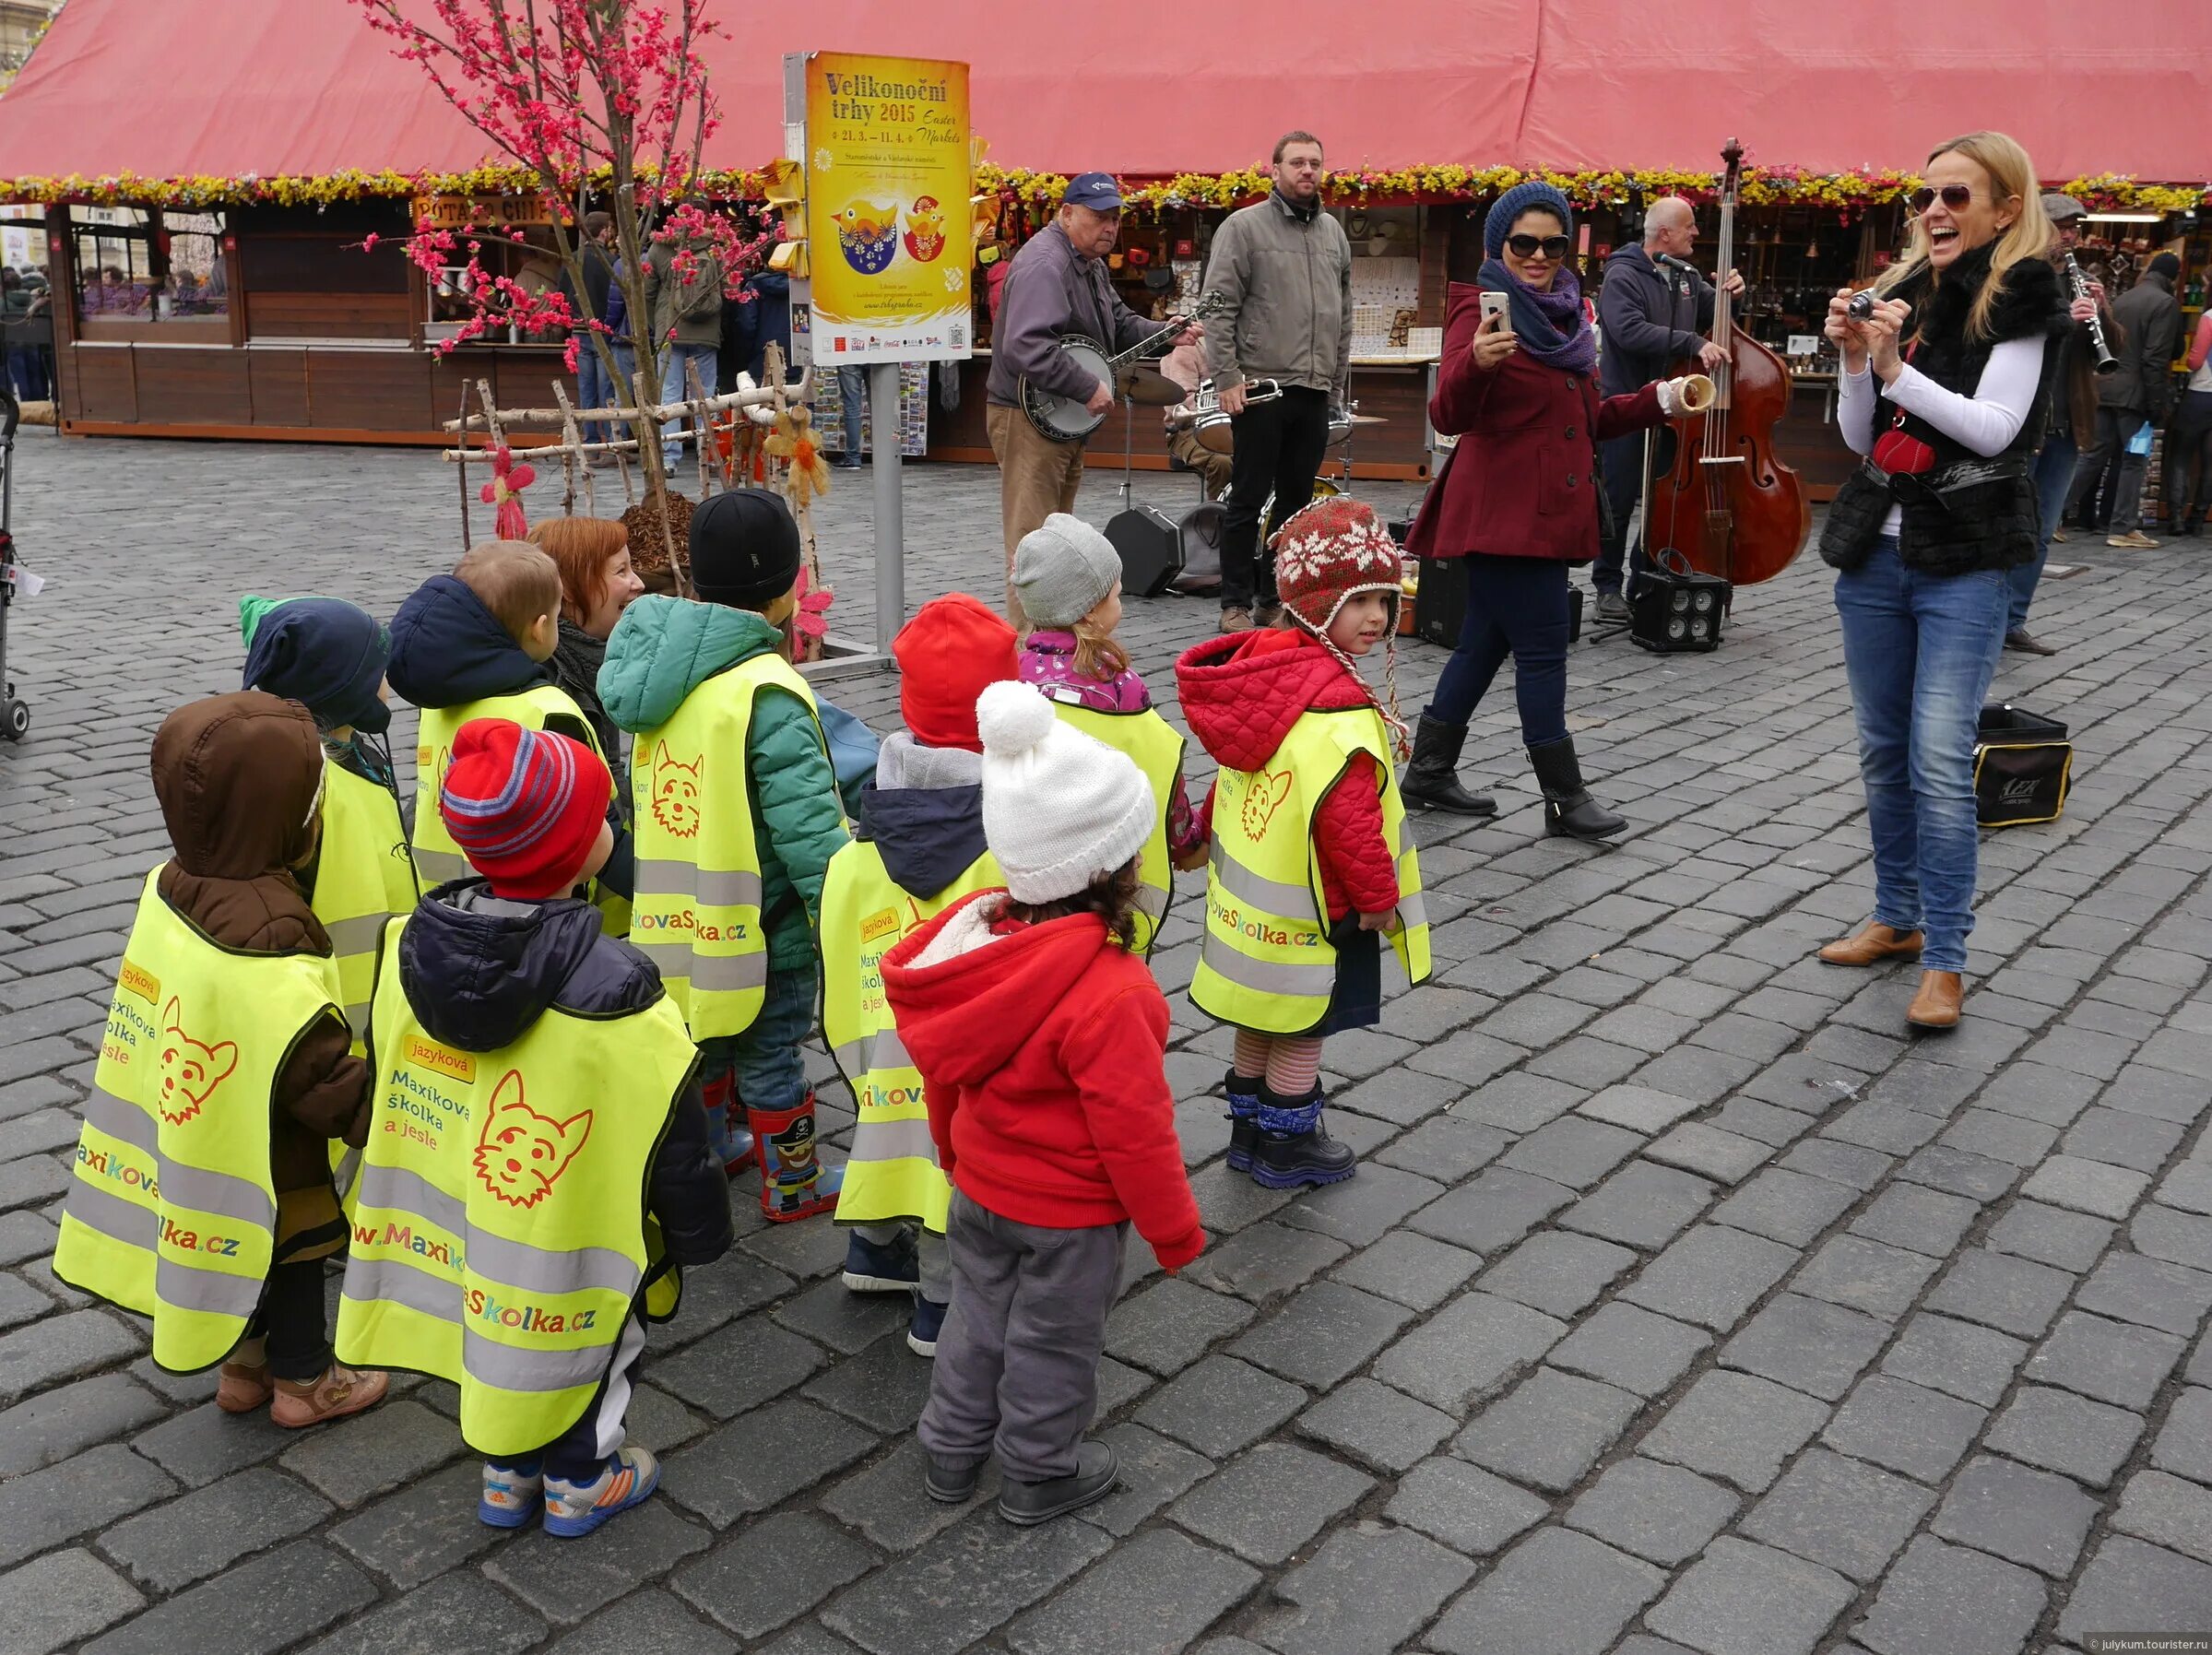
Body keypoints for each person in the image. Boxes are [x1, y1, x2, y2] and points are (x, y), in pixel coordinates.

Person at [337, 719, 731, 1538]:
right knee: (590, 1341)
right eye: (602, 816)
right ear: (578, 850)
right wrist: (698, 1230)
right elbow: (672, 1125)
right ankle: (580, 1480)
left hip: (473, 1218)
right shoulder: (620, 984)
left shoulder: (409, 946)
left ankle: (507, 1472)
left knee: (495, 1331)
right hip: (578, 1227)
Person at [883, 680, 1203, 1526]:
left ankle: (950, 1449)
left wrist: (954, 1153)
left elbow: (946, 1071)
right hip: (1070, 1215)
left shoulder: (977, 952)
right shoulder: (1114, 990)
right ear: (1113, 871)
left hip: (981, 1189)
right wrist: (1173, 1229)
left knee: (976, 1317)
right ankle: (1037, 1469)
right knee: (1052, 1342)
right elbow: (1136, 1131)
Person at [53, 692, 389, 1427]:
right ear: (285, 819)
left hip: (203, 1126)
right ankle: (306, 1380)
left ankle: (244, 1364)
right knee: (293, 1247)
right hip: (271, 1144)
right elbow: (312, 1068)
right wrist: (379, 1108)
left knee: (237, 1245)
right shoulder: (272, 926)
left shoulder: (168, 882)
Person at [1816, 131, 2064, 1034]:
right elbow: (1860, 437)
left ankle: (1946, 959)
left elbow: (1994, 428)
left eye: (1955, 196)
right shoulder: (1904, 288)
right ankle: (1897, 917)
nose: (1933, 211)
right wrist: (1856, 362)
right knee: (1883, 750)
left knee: (1935, 756)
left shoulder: (2022, 292)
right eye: (1924, 196)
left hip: (1965, 555)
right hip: (1874, 554)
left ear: (2005, 207)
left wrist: (1893, 368)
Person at [1401, 181, 1697, 833]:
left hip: (1549, 513)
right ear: (1497, 246)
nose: (1538, 256)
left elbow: (1585, 420)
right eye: (1523, 244)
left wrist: (1659, 399)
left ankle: (1428, 771)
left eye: (1552, 244)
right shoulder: (1477, 308)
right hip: (1504, 514)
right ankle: (1564, 797)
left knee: (1483, 643)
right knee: (1541, 650)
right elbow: (1447, 413)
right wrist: (1476, 363)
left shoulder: (1568, 317)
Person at [599, 490, 851, 1213]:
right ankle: (792, 1181)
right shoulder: (767, 688)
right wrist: (837, 912)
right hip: (765, 923)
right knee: (771, 1051)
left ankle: (711, 1154)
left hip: (678, 915)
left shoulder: (660, 673)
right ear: (786, 589)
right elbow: (807, 827)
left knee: (702, 1039)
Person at [1175, 497, 1430, 1188]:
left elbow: (1238, 765)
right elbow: (1350, 824)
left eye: (1384, 599)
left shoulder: (1261, 674)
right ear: (1315, 605)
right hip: (1322, 909)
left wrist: (1198, 833)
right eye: (1358, 601)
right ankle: (1287, 1144)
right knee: (1304, 1025)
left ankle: (1247, 1130)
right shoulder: (1334, 707)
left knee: (1260, 1013)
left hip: (1250, 918)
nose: (1376, 616)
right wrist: (1376, 901)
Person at [823, 595, 1019, 1358]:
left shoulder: (857, 853)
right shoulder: (1008, 849)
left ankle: (873, 1247)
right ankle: (942, 1303)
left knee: (890, 1131)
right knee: (952, 1159)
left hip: (880, 1041)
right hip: (965, 1052)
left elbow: (838, 960)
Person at [386, 542, 632, 938]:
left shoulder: (438, 701)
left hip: (451, 910)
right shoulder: (548, 710)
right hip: (548, 920)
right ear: (540, 628)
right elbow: (598, 826)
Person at [985, 172, 1198, 629]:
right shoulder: (1046, 264)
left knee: (1055, 541)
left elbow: (1117, 322)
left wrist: (1165, 333)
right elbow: (1026, 346)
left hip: (1056, 417)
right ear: (1066, 214)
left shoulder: (1088, 262)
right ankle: (1028, 651)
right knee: (1032, 545)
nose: (1110, 227)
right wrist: (1084, 386)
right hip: (1028, 417)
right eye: (1099, 217)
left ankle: (1053, 644)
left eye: (1115, 218)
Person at [1011, 513, 1208, 952]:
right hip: (1107, 872)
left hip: (1033, 868)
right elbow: (1155, 765)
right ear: (1089, 610)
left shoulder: (1012, 675)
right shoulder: (1119, 686)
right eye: (1116, 595)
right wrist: (1186, 840)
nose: (1122, 603)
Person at [239, 596, 417, 1047]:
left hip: (384, 1001)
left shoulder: (357, 754)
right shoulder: (305, 788)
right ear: (346, 688)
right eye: (377, 673)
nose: (387, 683)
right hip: (333, 1023)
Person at [1201, 132, 1354, 632]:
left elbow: (1343, 316)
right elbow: (1218, 307)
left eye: (1315, 162)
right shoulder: (1243, 227)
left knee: (1296, 505)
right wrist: (1227, 376)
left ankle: (1275, 599)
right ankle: (1234, 603)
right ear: (1275, 169)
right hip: (1262, 388)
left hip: (1313, 390)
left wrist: (1334, 385)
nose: (1307, 170)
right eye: (1297, 162)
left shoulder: (1333, 234)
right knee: (1246, 498)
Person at [1593, 197, 1744, 621]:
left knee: (1663, 502)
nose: (1696, 232)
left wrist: (1734, 294)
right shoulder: (1622, 274)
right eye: (1689, 226)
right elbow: (1629, 331)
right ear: (1665, 234)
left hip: (1673, 408)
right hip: (1626, 406)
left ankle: (1643, 580)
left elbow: (1718, 314)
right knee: (1618, 500)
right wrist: (1692, 342)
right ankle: (1606, 587)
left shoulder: (1687, 276)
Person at [2010, 195, 2119, 654]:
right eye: (2062, 226)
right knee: (2008, 524)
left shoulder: (2079, 282)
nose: (2070, 235)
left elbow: (2112, 351)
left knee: (2041, 529)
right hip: (2022, 422)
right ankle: (1985, 616)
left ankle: (2013, 621)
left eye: (2075, 227)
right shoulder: (2016, 276)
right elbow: (2003, 335)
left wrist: (2102, 310)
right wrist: (2061, 319)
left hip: (2066, 424)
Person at [2067, 250, 2181, 549]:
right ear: (2173, 277)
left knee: (2092, 457)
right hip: (2135, 395)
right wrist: (2156, 404)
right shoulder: (2165, 303)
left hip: (2107, 387)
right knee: (2134, 460)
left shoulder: (2125, 298)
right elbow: (2155, 358)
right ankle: (2122, 527)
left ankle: (2050, 514)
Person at [526, 516, 646, 769]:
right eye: (621, 571)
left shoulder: (590, 660)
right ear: (567, 588)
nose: (639, 583)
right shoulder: (543, 686)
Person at [643, 200, 724, 476]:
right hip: (706, 330)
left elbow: (647, 293)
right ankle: (708, 453)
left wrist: (657, 325)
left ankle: (670, 457)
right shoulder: (716, 248)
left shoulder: (659, 248)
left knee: (670, 394)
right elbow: (729, 288)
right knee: (706, 394)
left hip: (670, 329)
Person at [2160, 299, 2212, 538]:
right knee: (2210, 463)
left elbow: (2195, 360)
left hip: (2200, 394)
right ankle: (2198, 519)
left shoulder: (2209, 318)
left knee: (2181, 456)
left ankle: (2177, 517)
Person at [1159, 339, 1234, 499]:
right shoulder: (1187, 348)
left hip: (1233, 425)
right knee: (1222, 461)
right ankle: (1218, 510)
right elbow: (1181, 402)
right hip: (1188, 430)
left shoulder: (1241, 344)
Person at [573, 212, 618, 451]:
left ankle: (590, 442)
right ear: (603, 231)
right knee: (607, 388)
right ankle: (611, 440)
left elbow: (563, 293)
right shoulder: (611, 261)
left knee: (586, 388)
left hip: (579, 329)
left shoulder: (573, 259)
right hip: (604, 330)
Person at [834, 366, 869, 469]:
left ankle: (853, 458)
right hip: (878, 357)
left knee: (852, 406)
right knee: (879, 405)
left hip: (849, 360)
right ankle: (884, 455)